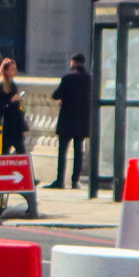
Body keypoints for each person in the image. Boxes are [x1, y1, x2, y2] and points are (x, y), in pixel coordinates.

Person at [49, 52, 91, 187]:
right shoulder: (89, 78)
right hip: (82, 120)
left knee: (63, 151)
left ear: (73, 62)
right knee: (78, 151)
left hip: (67, 119)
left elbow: (56, 95)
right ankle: (75, 181)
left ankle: (60, 180)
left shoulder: (68, 77)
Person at [0, 60, 31, 155]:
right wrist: (11, 101)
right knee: (4, 152)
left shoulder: (13, 85)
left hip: (15, 126)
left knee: (21, 152)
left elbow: (18, 108)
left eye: (16, 68)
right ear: (5, 71)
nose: (16, 71)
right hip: (5, 126)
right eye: (12, 69)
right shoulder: (0, 87)